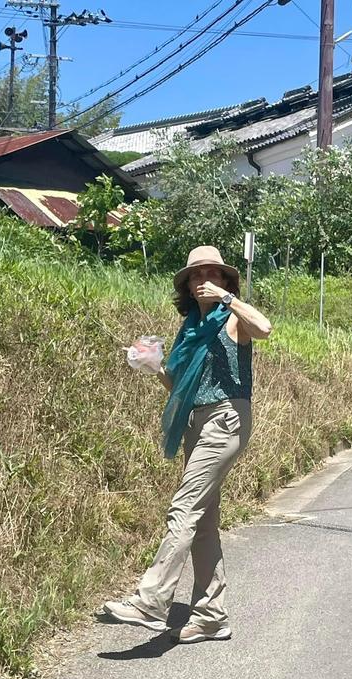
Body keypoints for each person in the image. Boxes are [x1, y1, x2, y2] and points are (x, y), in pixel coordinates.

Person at [104, 245, 272, 644]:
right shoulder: (190, 330)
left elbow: (265, 328)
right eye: (196, 276)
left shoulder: (232, 319)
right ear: (187, 285)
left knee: (183, 507)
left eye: (212, 274)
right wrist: (152, 366)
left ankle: (152, 600)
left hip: (226, 417)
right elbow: (179, 386)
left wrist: (229, 300)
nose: (203, 281)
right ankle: (212, 616)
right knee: (204, 521)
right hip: (195, 422)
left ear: (226, 281)